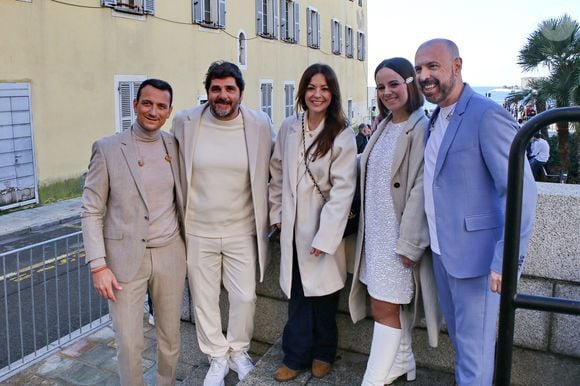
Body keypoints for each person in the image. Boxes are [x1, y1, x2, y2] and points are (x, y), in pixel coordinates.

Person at [414, 39, 537, 385]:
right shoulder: (434, 119)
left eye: (433, 66)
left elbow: (521, 192)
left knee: (473, 355)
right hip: (443, 256)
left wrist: (504, 260)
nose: (424, 76)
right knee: (466, 348)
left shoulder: (486, 115)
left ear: (457, 66)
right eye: (419, 68)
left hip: (480, 263)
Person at [171, 61, 273, 386]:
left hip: (242, 229)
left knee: (245, 297)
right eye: (216, 89)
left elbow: (276, 170)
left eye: (229, 89)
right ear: (208, 92)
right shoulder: (185, 122)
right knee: (204, 299)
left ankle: (239, 351)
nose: (222, 95)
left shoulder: (259, 124)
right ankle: (217, 356)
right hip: (198, 229)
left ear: (240, 92)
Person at [81, 78, 186, 386]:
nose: (153, 111)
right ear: (135, 105)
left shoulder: (174, 146)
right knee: (129, 342)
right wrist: (98, 265)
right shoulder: (108, 148)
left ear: (169, 111)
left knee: (171, 336)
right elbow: (91, 210)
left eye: (161, 106)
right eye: (147, 103)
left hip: (170, 254)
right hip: (124, 260)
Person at [348, 57, 440, 386]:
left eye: (394, 84)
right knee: (386, 306)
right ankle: (404, 362)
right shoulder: (385, 125)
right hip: (376, 234)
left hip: (398, 236)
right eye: (381, 87)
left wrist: (410, 243)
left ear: (410, 84)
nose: (387, 92)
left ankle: (371, 380)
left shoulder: (421, 127)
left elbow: (420, 190)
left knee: (385, 308)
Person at [269, 63, 357, 382]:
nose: (317, 94)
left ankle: (323, 352)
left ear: (332, 94)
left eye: (324, 88)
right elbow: (277, 173)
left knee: (323, 298)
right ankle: (295, 356)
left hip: (322, 228)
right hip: (292, 229)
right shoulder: (289, 126)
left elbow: (344, 189)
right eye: (311, 88)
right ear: (303, 92)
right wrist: (277, 214)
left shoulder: (342, 133)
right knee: (297, 298)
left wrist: (325, 236)